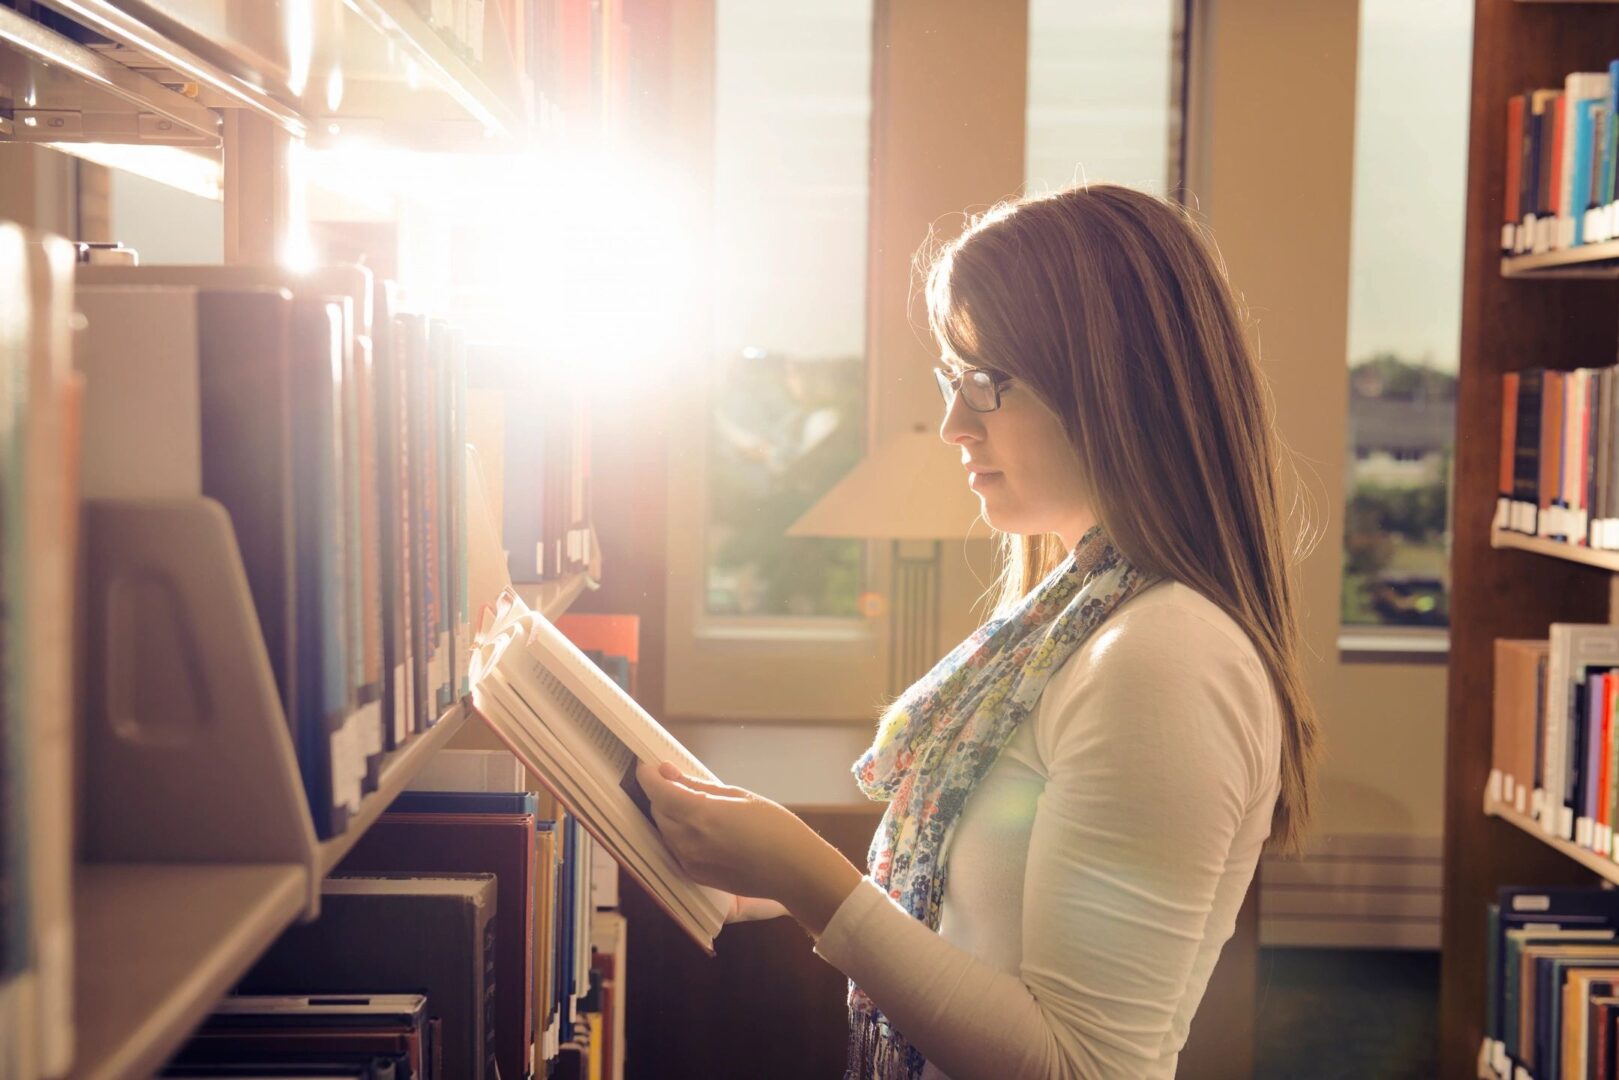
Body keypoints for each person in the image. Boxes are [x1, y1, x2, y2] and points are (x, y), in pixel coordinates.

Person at [634, 184, 1320, 1080]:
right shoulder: (1079, 616)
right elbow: (987, 922)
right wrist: (765, 879)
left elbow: (1078, 1066)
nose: (954, 425)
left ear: (1112, 391)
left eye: (985, 384)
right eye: (949, 382)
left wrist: (808, 878)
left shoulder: (1165, 657)